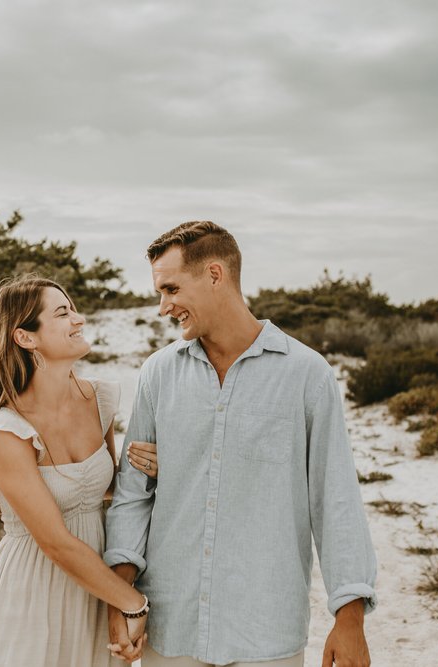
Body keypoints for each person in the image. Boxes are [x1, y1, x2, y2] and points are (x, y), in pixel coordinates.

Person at [105, 221, 377, 667]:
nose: (163, 307)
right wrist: (122, 595)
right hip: (172, 626)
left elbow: (337, 500)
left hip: (265, 631)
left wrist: (350, 617)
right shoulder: (158, 374)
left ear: (215, 275)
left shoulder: (307, 375)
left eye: (171, 289)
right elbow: (134, 496)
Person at [0, 275, 159, 667]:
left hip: (96, 581)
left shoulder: (98, 399)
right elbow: (54, 541)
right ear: (25, 337)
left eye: (74, 309)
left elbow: (110, 491)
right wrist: (133, 604)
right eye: (63, 312)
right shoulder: (5, 430)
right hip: (34, 585)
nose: (78, 319)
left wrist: (153, 469)